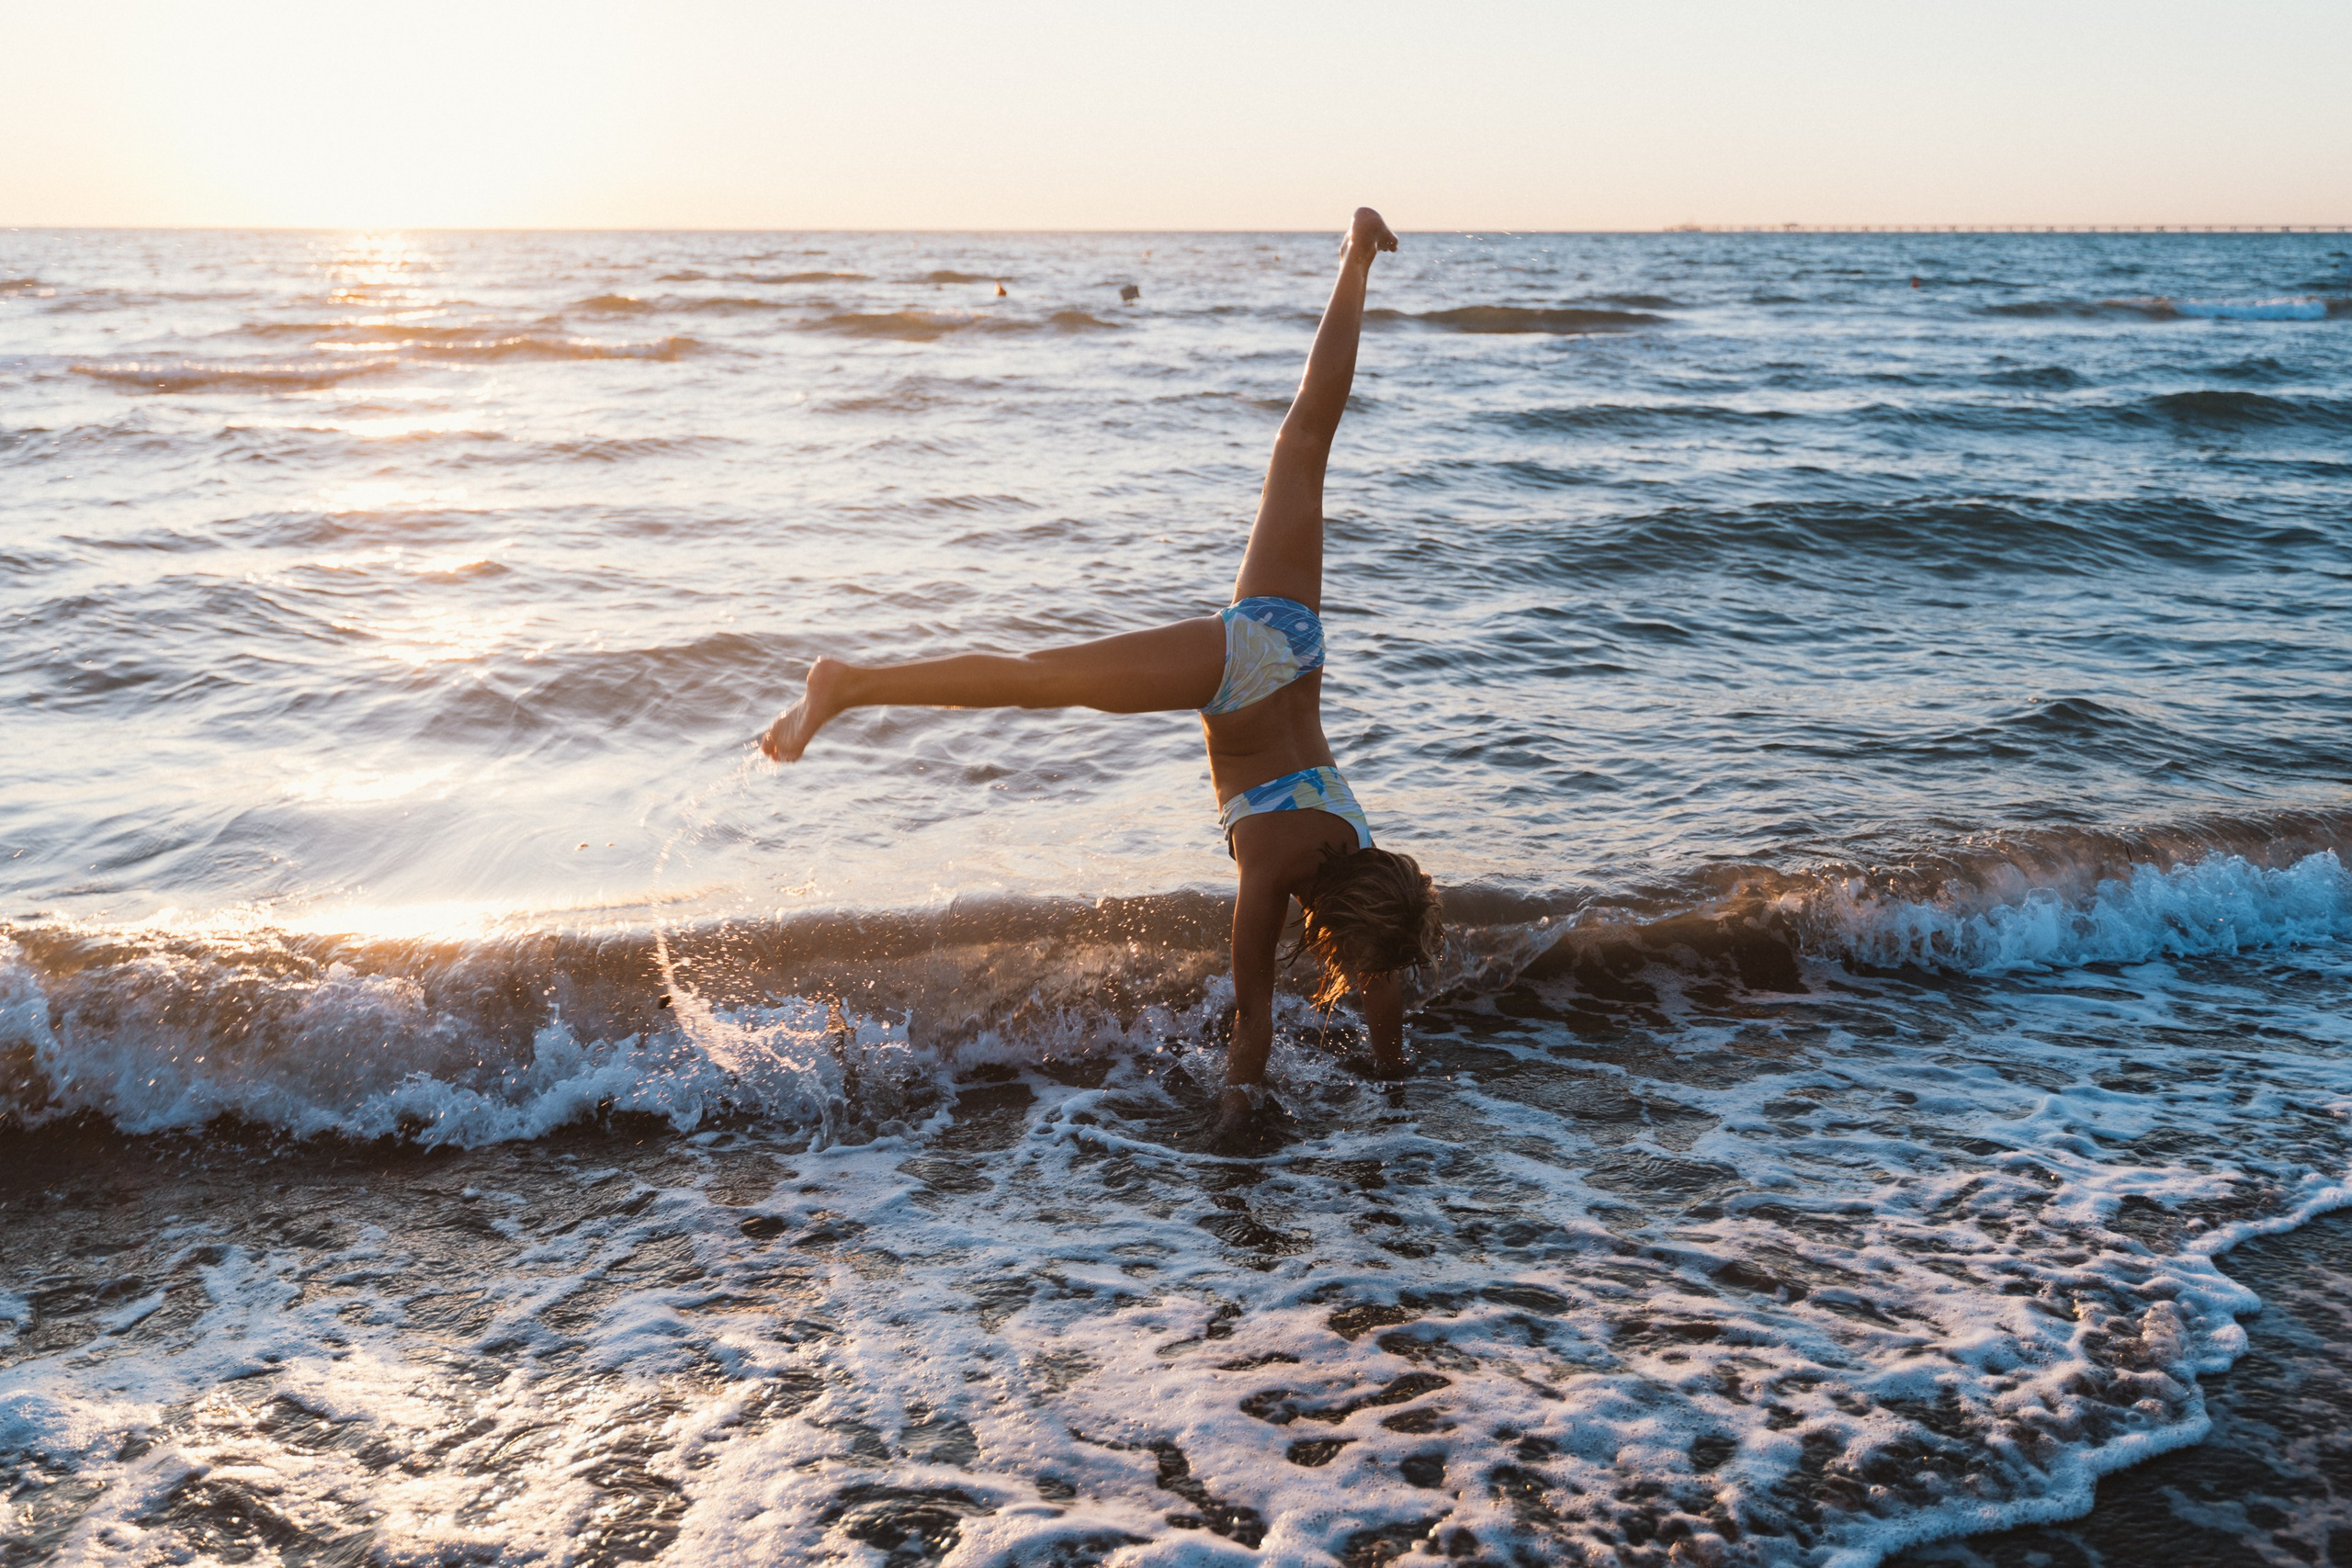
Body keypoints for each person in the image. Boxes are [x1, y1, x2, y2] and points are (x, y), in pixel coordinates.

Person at [761, 206, 1442, 1145]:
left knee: (1305, 439)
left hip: (1290, 647)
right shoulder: (1274, 872)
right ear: (1340, 930)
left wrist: (1392, 1066)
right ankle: (848, 684)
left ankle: (1356, 255)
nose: (1363, 972)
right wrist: (1235, 1124)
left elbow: (1383, 971)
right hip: (1237, 676)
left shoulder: (1362, 848)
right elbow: (1254, 1023)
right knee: (1038, 679)